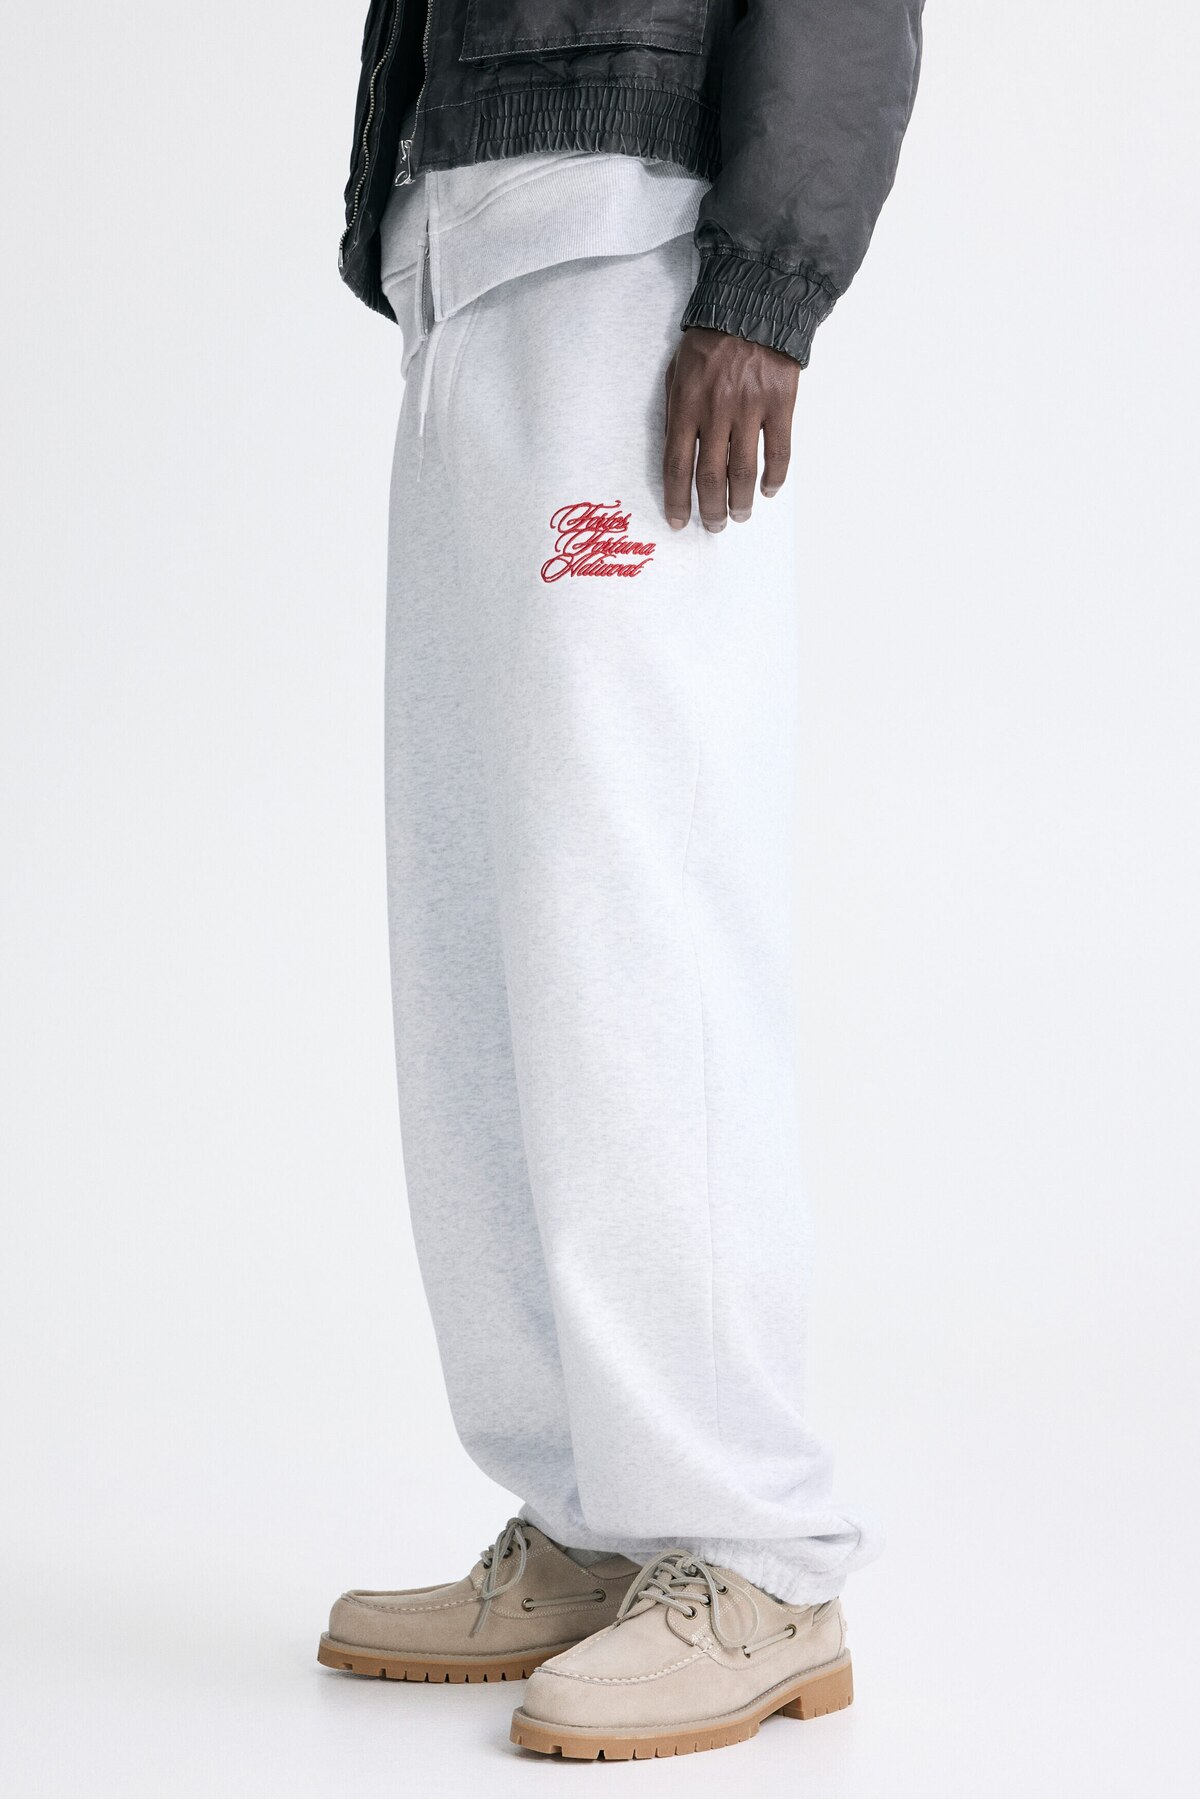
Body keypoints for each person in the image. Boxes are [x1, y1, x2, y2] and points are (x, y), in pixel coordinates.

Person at [320, 0, 924, 1762]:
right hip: (467, 249)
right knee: (480, 927)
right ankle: (593, 1513)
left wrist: (766, 289)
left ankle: (753, 1551)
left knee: (631, 911)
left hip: (629, 257)